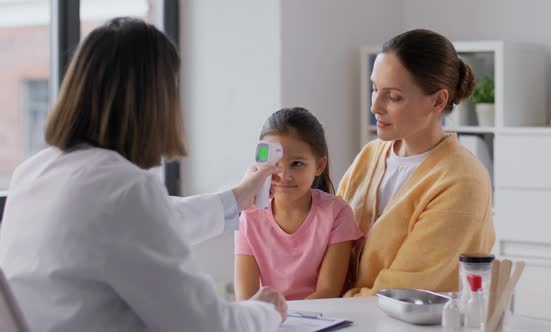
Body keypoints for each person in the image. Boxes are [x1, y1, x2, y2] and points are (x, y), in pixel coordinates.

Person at [0, 18, 287, 332]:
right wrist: (265, 311)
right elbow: (208, 326)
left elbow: (149, 223)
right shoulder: (124, 190)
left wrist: (235, 200)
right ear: (156, 102)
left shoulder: (33, 173)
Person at [338, 29, 496, 297]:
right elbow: (328, 240)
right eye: (374, 89)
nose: (375, 106)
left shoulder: (461, 181)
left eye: (393, 96)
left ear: (438, 100)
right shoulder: (371, 154)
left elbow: (404, 293)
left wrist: (325, 301)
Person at [234, 108, 363, 301]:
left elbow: (327, 292)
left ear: (319, 165)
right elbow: (246, 299)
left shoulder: (337, 213)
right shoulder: (249, 218)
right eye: (275, 164)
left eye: (296, 164)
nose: (284, 176)